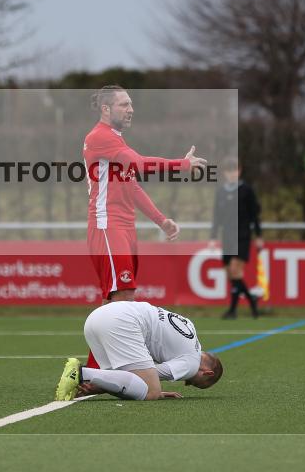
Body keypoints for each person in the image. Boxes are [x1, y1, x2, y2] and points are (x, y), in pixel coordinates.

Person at [83, 85, 207, 305]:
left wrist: (162, 221)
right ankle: (121, 340)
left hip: (124, 226)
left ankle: (104, 340)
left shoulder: (115, 139)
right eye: (123, 104)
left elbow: (132, 187)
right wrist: (183, 164)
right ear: (106, 109)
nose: (131, 109)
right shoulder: (100, 137)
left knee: (117, 297)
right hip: (108, 226)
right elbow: (139, 164)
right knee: (123, 296)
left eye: (131, 103)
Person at [54, 300, 223, 401]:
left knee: (116, 380)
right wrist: (156, 390)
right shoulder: (191, 363)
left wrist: (102, 386)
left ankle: (80, 380)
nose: (186, 382)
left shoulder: (190, 329)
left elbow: (127, 379)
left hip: (97, 317)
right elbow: (145, 377)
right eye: (192, 382)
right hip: (122, 322)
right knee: (152, 392)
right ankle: (81, 373)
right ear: (206, 372)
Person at [210, 156, 263, 320]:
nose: (232, 174)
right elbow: (216, 216)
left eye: (235, 170)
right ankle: (251, 299)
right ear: (225, 173)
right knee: (230, 274)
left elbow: (255, 215)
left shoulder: (247, 190)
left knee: (235, 270)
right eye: (229, 171)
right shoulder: (221, 192)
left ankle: (233, 310)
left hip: (243, 235)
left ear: (239, 171)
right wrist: (212, 237)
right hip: (227, 236)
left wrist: (259, 235)